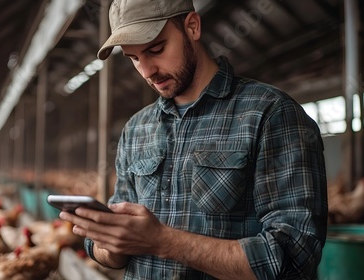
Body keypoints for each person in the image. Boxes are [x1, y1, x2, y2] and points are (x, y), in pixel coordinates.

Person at [59, 0, 328, 279]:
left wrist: (162, 241)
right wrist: (109, 242)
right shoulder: (136, 129)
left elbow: (295, 256)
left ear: (192, 26)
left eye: (156, 49)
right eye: (134, 58)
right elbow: (109, 253)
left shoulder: (269, 113)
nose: (147, 70)